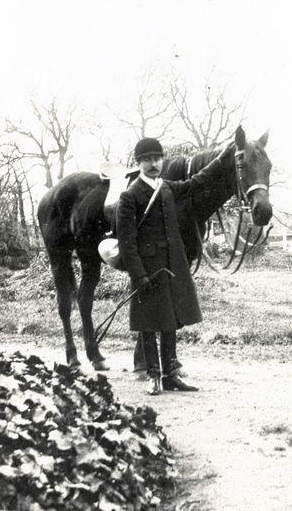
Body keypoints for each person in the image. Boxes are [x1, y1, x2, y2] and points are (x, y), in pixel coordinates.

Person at [116, 137, 224, 395]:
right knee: (148, 323)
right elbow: (127, 243)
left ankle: (170, 374)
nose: (153, 164)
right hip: (147, 269)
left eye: (157, 158)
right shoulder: (129, 196)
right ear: (138, 163)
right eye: (147, 159)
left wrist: (221, 160)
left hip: (171, 266)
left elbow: (195, 183)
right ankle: (153, 374)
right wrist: (139, 275)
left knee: (170, 320)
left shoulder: (167, 188)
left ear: (162, 160)